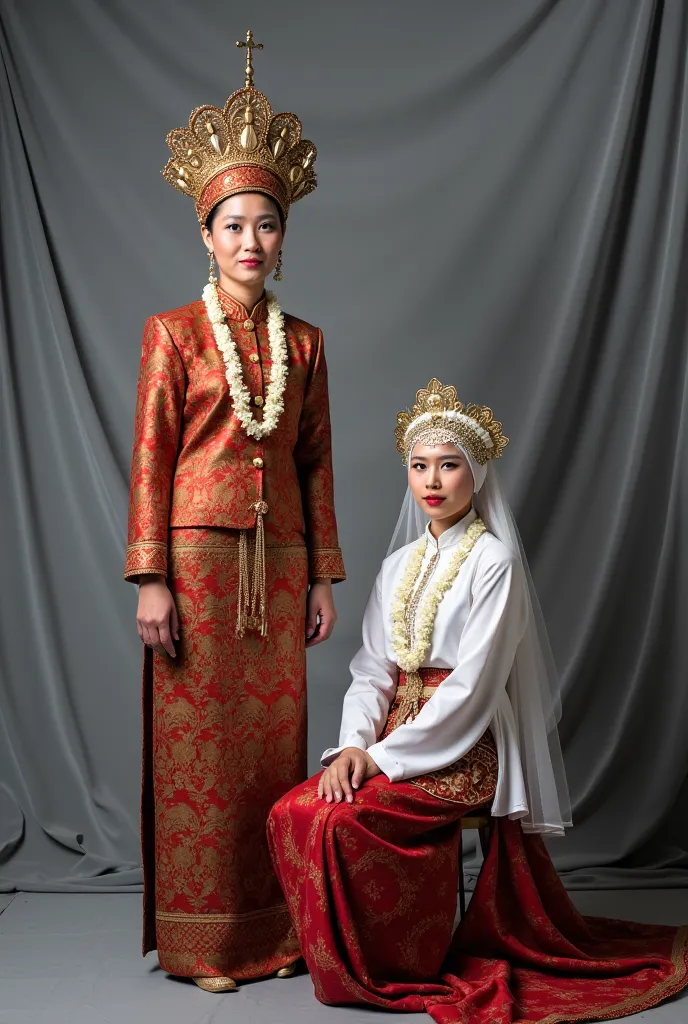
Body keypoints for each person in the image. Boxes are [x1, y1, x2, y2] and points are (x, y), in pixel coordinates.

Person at [268, 378, 688, 1022]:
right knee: (292, 812)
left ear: (478, 471)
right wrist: (353, 745)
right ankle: (350, 957)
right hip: (388, 739)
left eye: (449, 464)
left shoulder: (495, 562)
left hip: (466, 746)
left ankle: (395, 963)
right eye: (418, 466)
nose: (432, 480)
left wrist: (381, 761)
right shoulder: (398, 564)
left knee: (344, 818)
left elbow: (472, 690)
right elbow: (372, 669)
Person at [124, 31, 345, 992]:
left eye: (266, 225)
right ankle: (206, 943)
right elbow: (151, 458)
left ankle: (276, 930)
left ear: (284, 235)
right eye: (233, 226)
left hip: (282, 561)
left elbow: (315, 457)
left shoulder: (307, 341)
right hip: (200, 568)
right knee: (200, 759)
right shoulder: (173, 335)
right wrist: (150, 578)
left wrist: (325, 573)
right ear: (206, 236)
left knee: (271, 755)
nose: (251, 242)